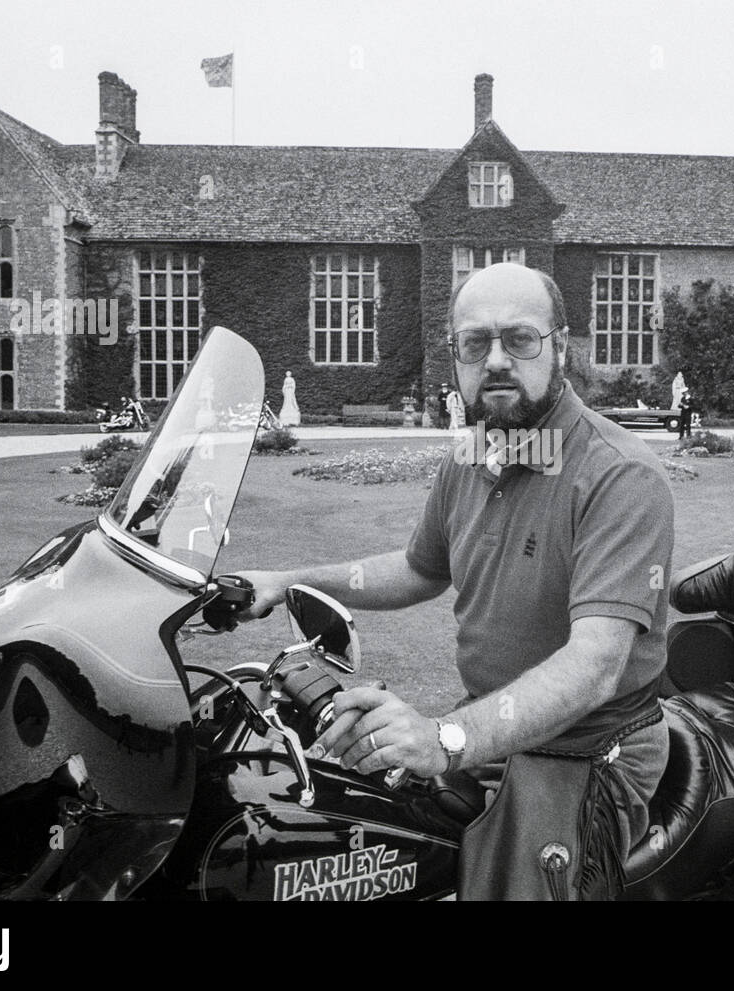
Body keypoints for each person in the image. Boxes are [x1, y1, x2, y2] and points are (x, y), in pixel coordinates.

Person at [233, 263, 674, 900]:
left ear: (562, 345)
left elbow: (596, 665)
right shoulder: (471, 455)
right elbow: (418, 569)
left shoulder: (620, 476)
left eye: (519, 339)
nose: (496, 360)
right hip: (493, 729)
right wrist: (286, 579)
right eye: (475, 343)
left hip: (589, 753)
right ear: (457, 357)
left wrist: (446, 738)